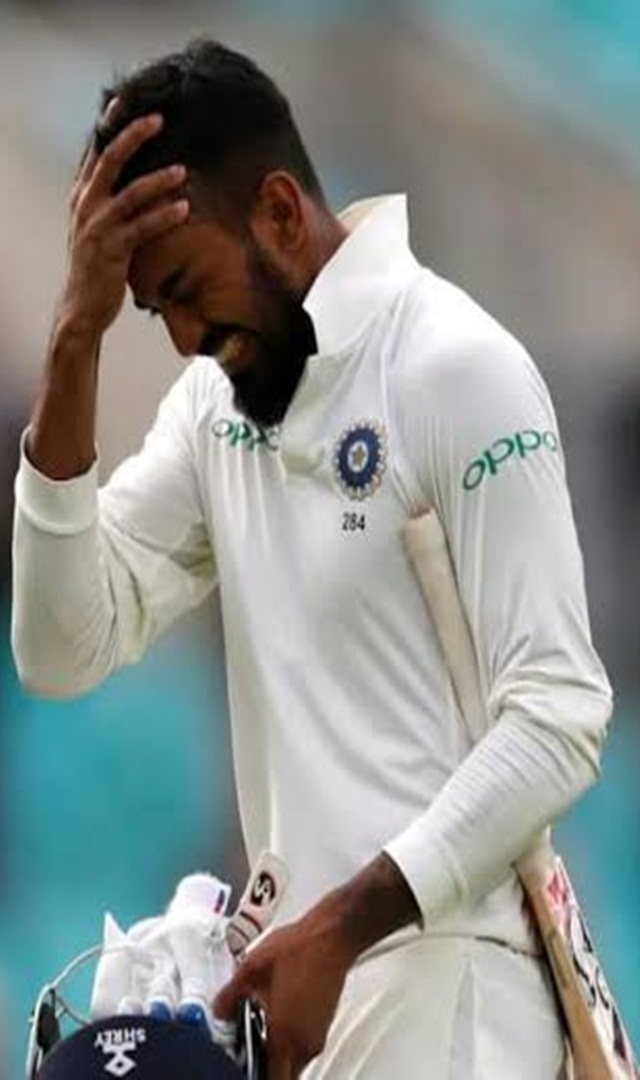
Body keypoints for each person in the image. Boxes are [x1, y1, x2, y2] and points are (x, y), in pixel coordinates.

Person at [11, 39, 613, 1079]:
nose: (184, 336)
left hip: (457, 999)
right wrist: (74, 338)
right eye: (154, 310)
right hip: (305, 1004)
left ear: (281, 213)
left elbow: (559, 719)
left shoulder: (455, 368)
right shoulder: (214, 411)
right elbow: (62, 649)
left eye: (187, 288)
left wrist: (340, 926)